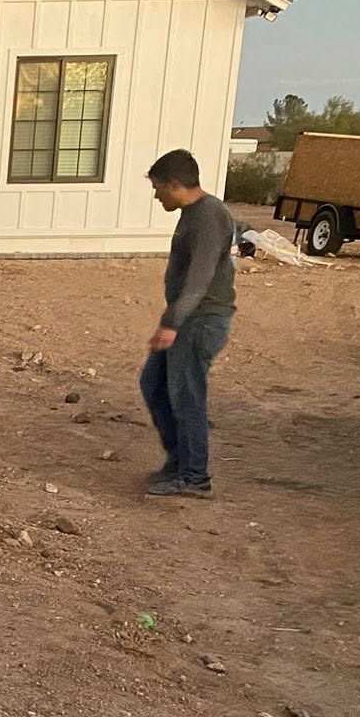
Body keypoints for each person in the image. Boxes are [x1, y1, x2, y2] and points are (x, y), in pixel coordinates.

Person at [141, 149, 236, 497]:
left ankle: (195, 476)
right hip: (188, 320)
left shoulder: (209, 216)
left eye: (159, 188)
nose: (156, 195)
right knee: (154, 384)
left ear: (176, 185)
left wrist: (172, 322)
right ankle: (179, 464)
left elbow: (199, 279)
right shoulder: (193, 213)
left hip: (200, 322)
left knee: (187, 396)